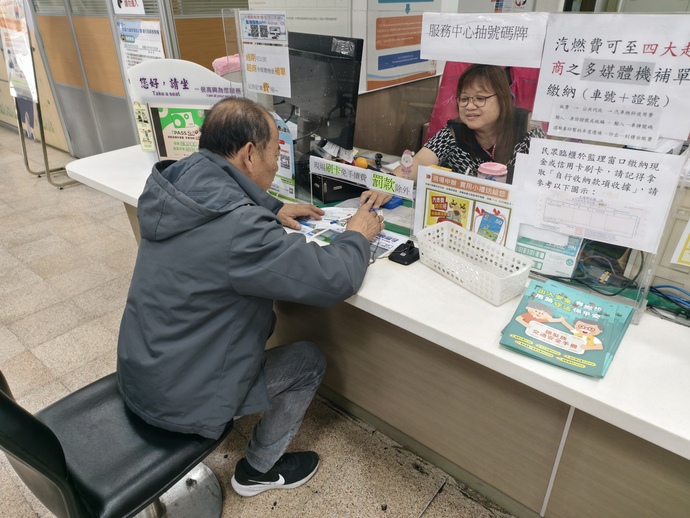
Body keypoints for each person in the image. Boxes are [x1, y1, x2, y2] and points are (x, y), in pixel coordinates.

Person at [117, 97, 384, 498]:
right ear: (248, 154)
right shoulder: (241, 229)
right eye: (276, 151)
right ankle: (259, 470)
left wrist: (269, 207)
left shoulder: (175, 182)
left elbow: (220, 213)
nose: (277, 163)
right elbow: (334, 278)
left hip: (141, 372)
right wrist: (356, 235)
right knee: (309, 360)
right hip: (180, 401)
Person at [361, 64, 545, 206]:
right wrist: (387, 185)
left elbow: (543, 184)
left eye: (480, 98)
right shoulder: (454, 132)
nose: (470, 106)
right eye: (464, 99)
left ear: (502, 99)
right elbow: (419, 162)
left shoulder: (527, 129)